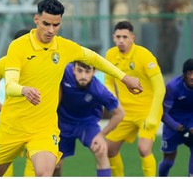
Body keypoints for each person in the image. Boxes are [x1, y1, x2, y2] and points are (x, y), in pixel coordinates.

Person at [0, 0, 143, 177]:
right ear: (36, 20)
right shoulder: (18, 47)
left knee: (45, 173)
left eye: (56, 25)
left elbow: (94, 58)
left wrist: (124, 77)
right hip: (12, 126)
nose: (51, 30)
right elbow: (10, 85)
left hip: (43, 129)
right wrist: (24, 90)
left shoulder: (64, 47)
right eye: (46, 24)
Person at [104, 21, 166, 176]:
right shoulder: (110, 55)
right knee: (109, 149)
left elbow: (160, 87)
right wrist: (115, 104)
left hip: (147, 111)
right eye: (118, 37)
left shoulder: (144, 55)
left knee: (144, 148)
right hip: (125, 112)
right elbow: (108, 82)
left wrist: (152, 115)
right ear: (113, 37)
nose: (121, 40)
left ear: (132, 37)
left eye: (125, 37)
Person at [52, 61, 125, 176]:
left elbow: (120, 113)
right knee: (54, 165)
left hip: (86, 124)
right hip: (62, 123)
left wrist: (101, 135)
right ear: (73, 69)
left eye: (87, 71)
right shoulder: (64, 71)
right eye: (80, 71)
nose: (83, 76)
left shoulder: (99, 90)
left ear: (94, 72)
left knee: (101, 151)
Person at [0, 29, 35, 177]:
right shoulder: (4, 63)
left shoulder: (41, 62)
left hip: (35, 119)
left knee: (35, 162)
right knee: (1, 165)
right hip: (11, 121)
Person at [158, 58, 193, 176]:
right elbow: (163, 114)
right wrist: (180, 128)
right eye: (189, 73)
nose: (192, 77)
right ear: (184, 74)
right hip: (173, 124)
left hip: (191, 121)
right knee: (168, 161)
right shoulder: (173, 87)